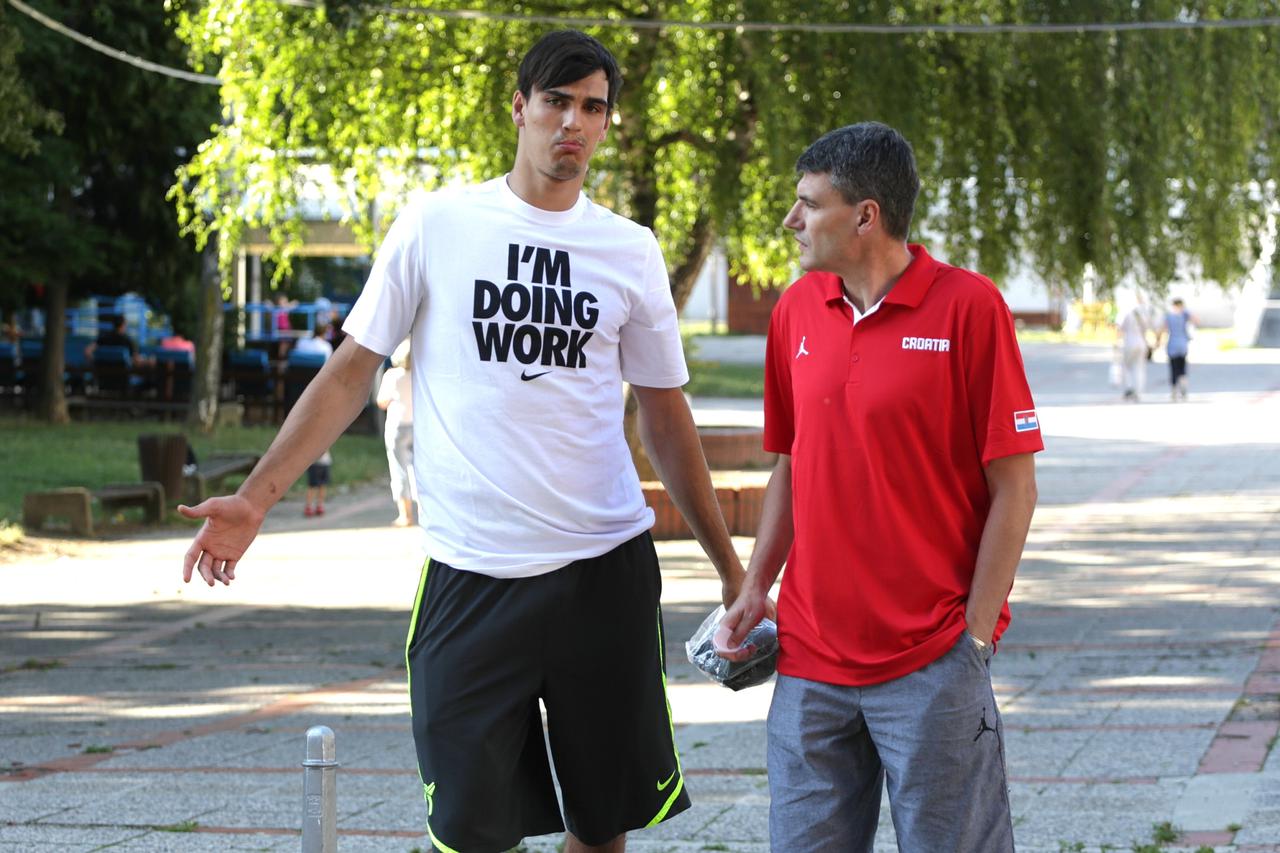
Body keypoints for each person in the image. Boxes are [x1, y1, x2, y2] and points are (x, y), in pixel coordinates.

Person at [179, 30, 748, 853]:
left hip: (603, 574)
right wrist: (256, 499)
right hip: (470, 578)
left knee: (602, 823)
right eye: (556, 102)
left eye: (593, 108)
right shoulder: (437, 224)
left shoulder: (629, 249)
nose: (573, 124)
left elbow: (665, 417)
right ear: (519, 108)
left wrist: (731, 569)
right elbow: (350, 371)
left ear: (606, 123)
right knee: (470, 830)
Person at [720, 123, 1042, 853]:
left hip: (932, 661)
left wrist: (974, 635)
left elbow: (1015, 489)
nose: (791, 219)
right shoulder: (796, 310)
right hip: (809, 664)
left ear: (865, 215)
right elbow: (791, 462)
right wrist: (755, 586)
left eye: (810, 203)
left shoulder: (970, 308)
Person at [376, 339, 416, 526]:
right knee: (417, 470)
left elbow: (382, 401)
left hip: (397, 425)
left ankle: (405, 515)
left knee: (399, 468)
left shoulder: (392, 375)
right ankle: (424, 510)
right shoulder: (419, 374)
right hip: (416, 424)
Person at [1157, 297, 1195, 401]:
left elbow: (1163, 329)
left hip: (1173, 345)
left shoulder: (1170, 316)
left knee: (1174, 369)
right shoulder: (1184, 315)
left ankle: (1174, 391)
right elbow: (1196, 320)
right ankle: (1183, 388)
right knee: (1182, 368)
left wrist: (1158, 342)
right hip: (1182, 345)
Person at [1115, 299, 1152, 402]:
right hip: (1141, 344)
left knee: (1127, 367)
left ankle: (1129, 387)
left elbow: (1120, 328)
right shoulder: (1143, 315)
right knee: (1139, 368)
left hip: (1129, 343)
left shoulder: (1127, 314)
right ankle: (1138, 391)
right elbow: (1146, 329)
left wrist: (1116, 343)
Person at [303, 448, 332, 517]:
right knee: (312, 486)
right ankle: (309, 506)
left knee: (323, 485)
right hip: (314, 463)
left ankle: (320, 505)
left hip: (325, 462)